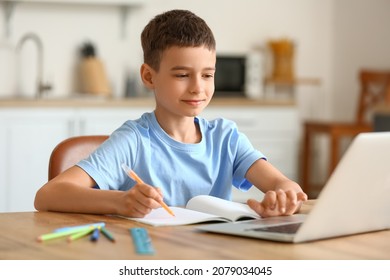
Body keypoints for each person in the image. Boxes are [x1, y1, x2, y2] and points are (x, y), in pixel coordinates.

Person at [34, 9, 307, 218]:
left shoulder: (226, 138)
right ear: (149, 76)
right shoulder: (133, 141)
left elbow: (284, 184)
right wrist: (121, 201)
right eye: (182, 75)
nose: (198, 87)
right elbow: (47, 196)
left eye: (207, 74)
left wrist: (284, 197)